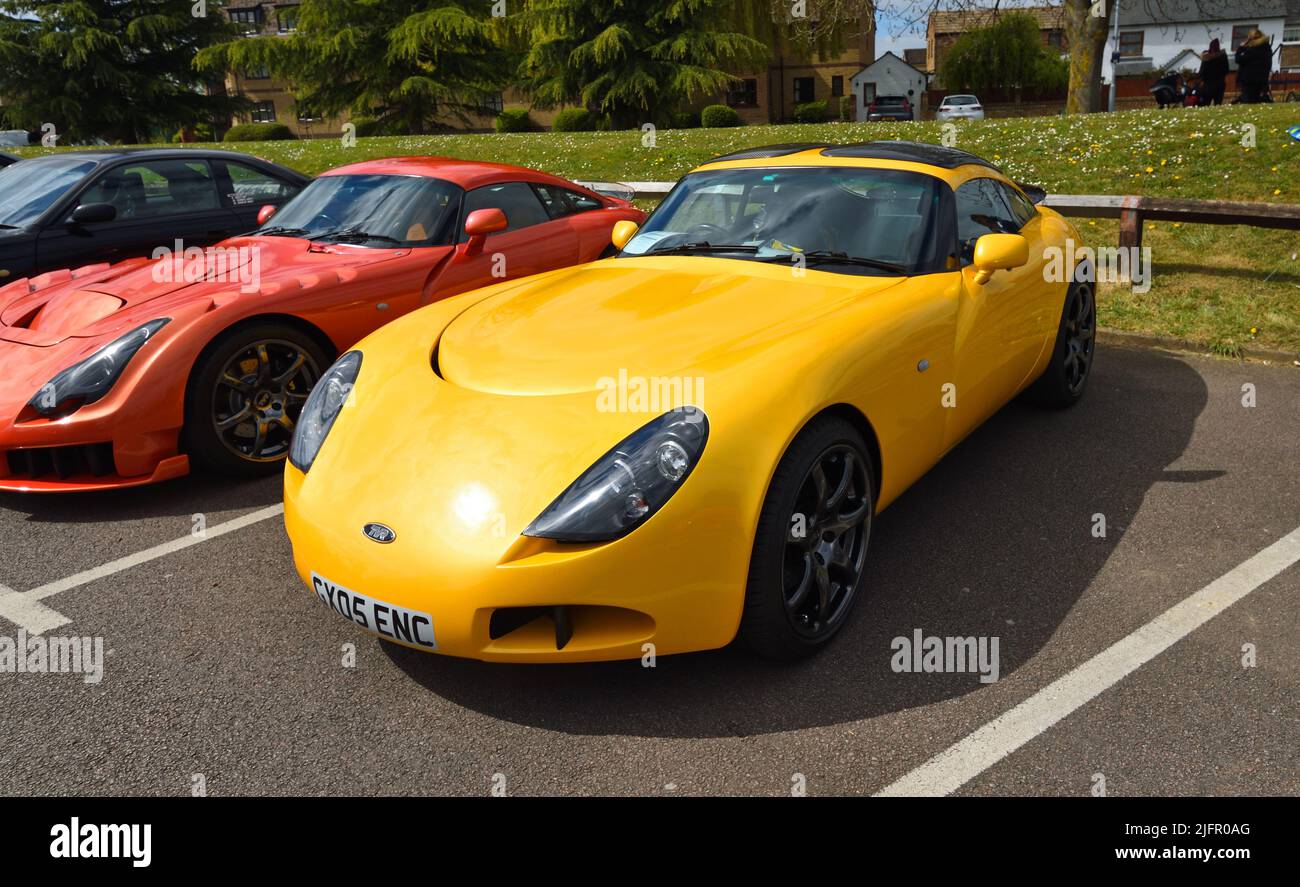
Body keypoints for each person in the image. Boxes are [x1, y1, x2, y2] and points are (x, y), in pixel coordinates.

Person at [1233, 29, 1273, 104]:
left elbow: (1238, 59)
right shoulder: (1267, 48)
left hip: (1249, 80)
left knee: (1248, 101)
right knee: (1256, 101)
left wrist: (1241, 48)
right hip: (1262, 79)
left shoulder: (1253, 49)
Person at [1198, 39, 1229, 105]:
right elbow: (1226, 70)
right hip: (1220, 83)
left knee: (1205, 103)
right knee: (1218, 103)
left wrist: (1201, 80)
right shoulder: (1223, 56)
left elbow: (1202, 72)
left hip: (1208, 84)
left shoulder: (1206, 57)